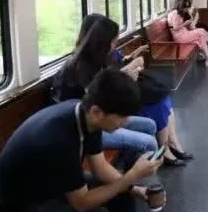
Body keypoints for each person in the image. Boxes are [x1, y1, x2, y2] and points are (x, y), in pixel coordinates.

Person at [0, 69, 163, 212]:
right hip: (16, 206)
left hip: (46, 183)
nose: (126, 121)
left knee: (121, 192)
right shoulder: (57, 139)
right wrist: (131, 176)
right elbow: (81, 203)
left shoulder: (86, 116)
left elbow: (100, 168)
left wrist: (136, 189)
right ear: (97, 112)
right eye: (122, 116)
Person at [52, 16, 159, 157]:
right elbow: (96, 105)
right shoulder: (80, 68)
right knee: (149, 143)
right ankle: (134, 169)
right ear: (103, 43)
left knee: (150, 125)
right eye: (113, 42)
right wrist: (126, 79)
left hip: (101, 116)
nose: (114, 46)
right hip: (87, 126)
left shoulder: (97, 61)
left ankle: (130, 163)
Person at [168, 0, 208, 67]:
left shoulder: (178, 13)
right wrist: (185, 23)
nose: (187, 9)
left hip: (183, 33)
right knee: (201, 31)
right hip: (180, 37)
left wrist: (188, 21)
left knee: (200, 37)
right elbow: (175, 28)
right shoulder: (175, 13)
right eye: (186, 7)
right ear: (181, 6)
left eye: (188, 7)